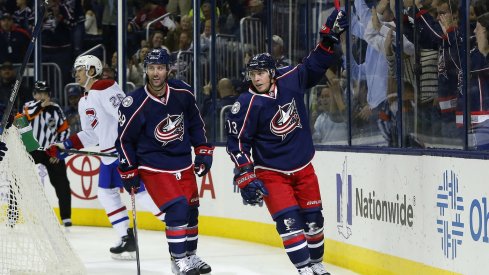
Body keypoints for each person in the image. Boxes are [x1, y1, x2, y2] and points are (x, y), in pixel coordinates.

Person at [225, 9, 347, 275]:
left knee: (314, 222)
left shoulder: (290, 78)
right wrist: (245, 174)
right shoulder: (244, 104)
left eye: (261, 73)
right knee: (289, 223)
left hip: (303, 167)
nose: (256, 78)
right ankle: (303, 269)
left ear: (272, 72)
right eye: (252, 73)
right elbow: (237, 143)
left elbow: (313, 65)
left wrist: (328, 40)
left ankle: (316, 264)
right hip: (271, 173)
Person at [46, 54, 164, 260]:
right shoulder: (84, 100)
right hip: (107, 156)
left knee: (142, 194)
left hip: (123, 152)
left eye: (80, 69)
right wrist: (64, 145)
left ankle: (178, 223)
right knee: (105, 193)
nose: (76, 73)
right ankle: (127, 238)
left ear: (91, 70)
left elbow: (127, 114)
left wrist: (130, 144)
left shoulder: (105, 87)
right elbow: (90, 134)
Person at [116, 48, 213, 275]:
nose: (156, 73)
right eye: (151, 68)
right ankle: (178, 260)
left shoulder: (183, 93)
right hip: (153, 165)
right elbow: (123, 140)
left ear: (169, 69)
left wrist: (203, 151)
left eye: (160, 68)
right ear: (145, 70)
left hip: (183, 163)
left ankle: (190, 254)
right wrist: (128, 169)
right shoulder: (134, 103)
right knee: (177, 208)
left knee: (191, 210)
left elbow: (196, 125)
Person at [23, 81, 73, 226]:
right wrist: (40, 105)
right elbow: (29, 114)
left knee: (62, 183)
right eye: (39, 93)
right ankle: (12, 215)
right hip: (31, 150)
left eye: (45, 93)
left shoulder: (56, 109)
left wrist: (59, 152)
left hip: (51, 151)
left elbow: (64, 130)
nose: (42, 96)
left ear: (49, 94)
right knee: (18, 178)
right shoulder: (28, 106)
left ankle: (66, 218)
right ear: (34, 94)